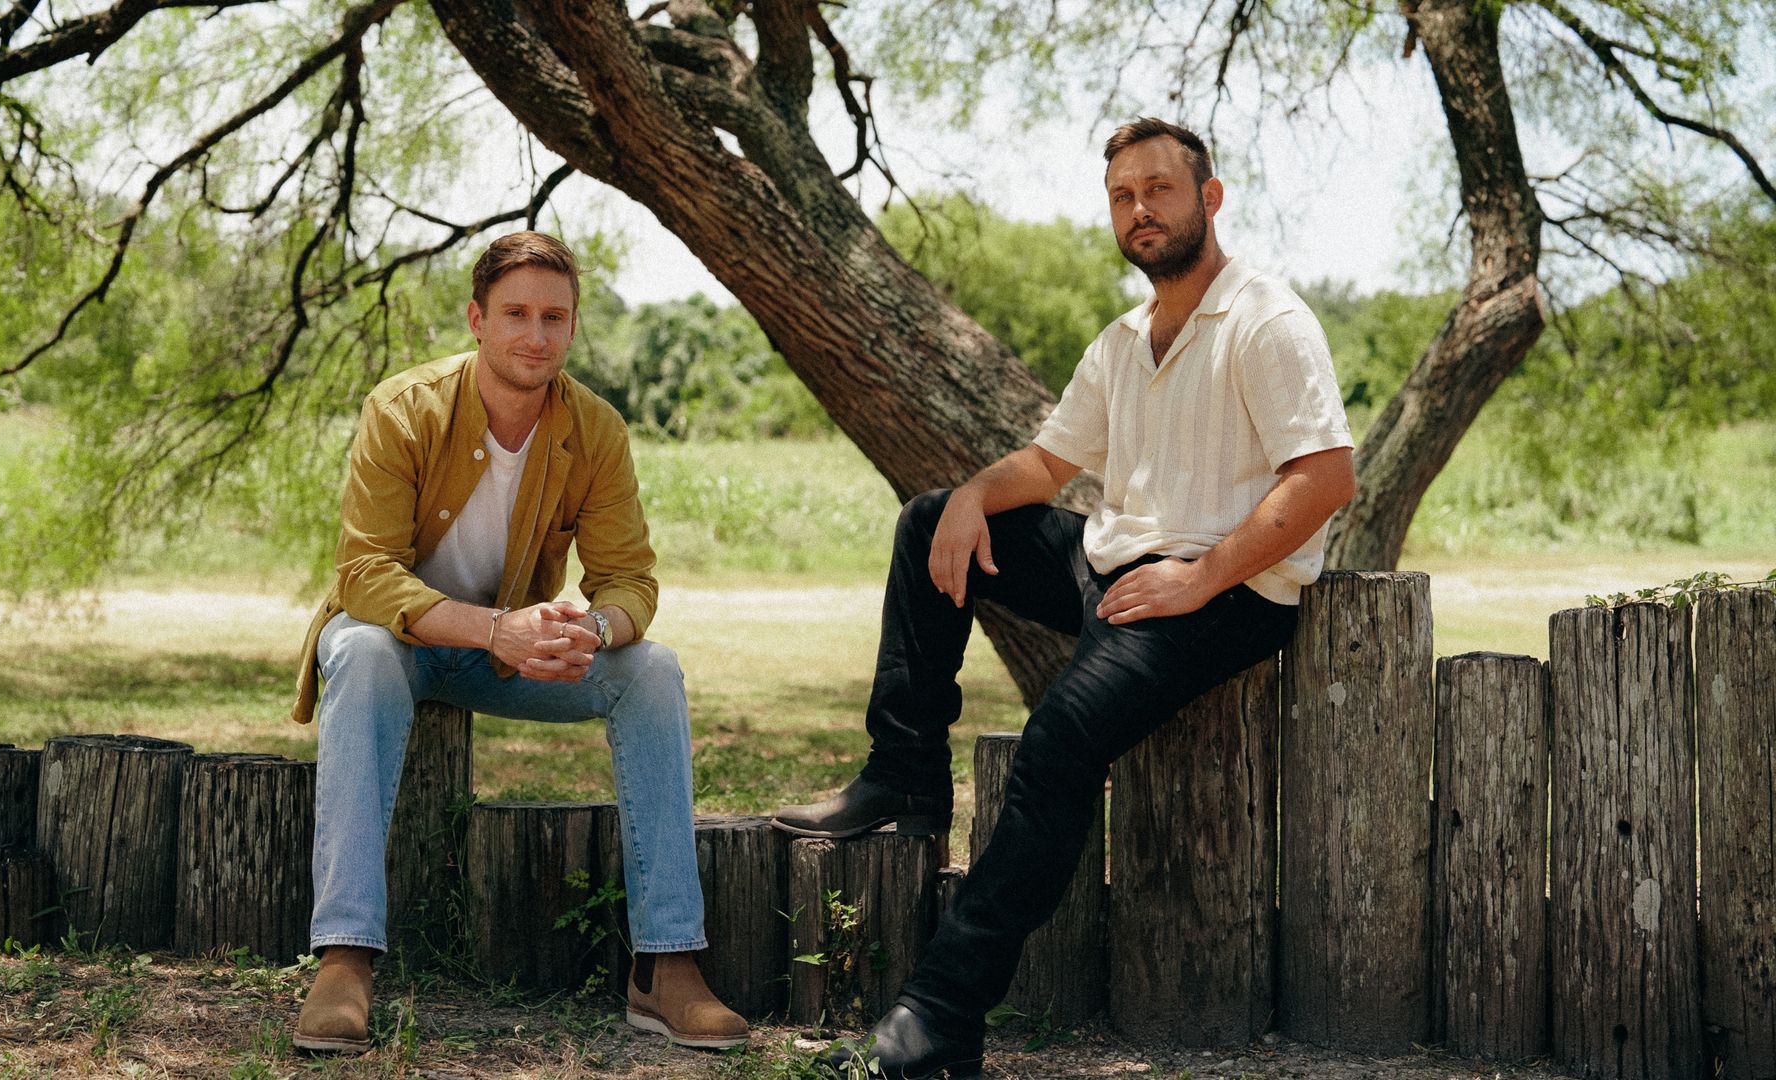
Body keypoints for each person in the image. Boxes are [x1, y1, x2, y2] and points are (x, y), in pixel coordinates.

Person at [774, 118, 1357, 1078]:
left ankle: (938, 1020)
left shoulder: (1267, 320)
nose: (1141, 210)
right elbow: (1048, 464)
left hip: (1225, 593)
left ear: (1209, 198)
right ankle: (906, 772)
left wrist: (1201, 576)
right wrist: (972, 496)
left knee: (1058, 742)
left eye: (1160, 189)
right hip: (1113, 564)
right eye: (1124, 196)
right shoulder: (1125, 340)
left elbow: (1325, 477)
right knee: (929, 524)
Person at [288, 231, 747, 1054]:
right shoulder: (403, 407)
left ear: (572, 326)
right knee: (357, 649)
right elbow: (364, 574)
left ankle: (666, 964)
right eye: (516, 314)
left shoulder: (595, 429)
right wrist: (495, 628)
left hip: (512, 657)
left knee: (652, 671)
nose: (535, 335)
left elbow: (630, 582)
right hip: (402, 646)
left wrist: (589, 629)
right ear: (477, 319)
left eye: (554, 317)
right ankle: (345, 959)